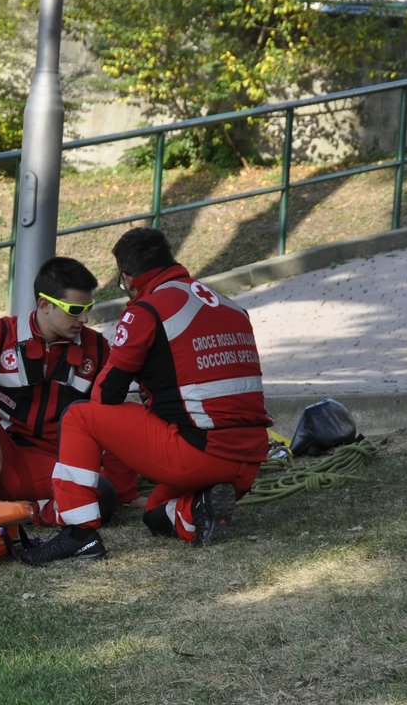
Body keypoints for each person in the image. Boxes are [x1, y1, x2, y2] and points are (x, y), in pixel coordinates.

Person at [22, 227, 271, 563]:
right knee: (156, 512)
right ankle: (198, 507)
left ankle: (77, 534)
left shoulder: (148, 310)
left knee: (80, 415)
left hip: (196, 454)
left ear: (128, 278)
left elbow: (105, 394)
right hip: (249, 458)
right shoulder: (230, 307)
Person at [0, 256, 136, 525]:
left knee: (104, 496)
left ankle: (24, 512)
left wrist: (124, 493)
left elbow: (113, 420)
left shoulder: (97, 349)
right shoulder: (0, 332)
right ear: (44, 305)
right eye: (75, 309)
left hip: (53, 468)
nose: (85, 318)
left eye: (88, 307)